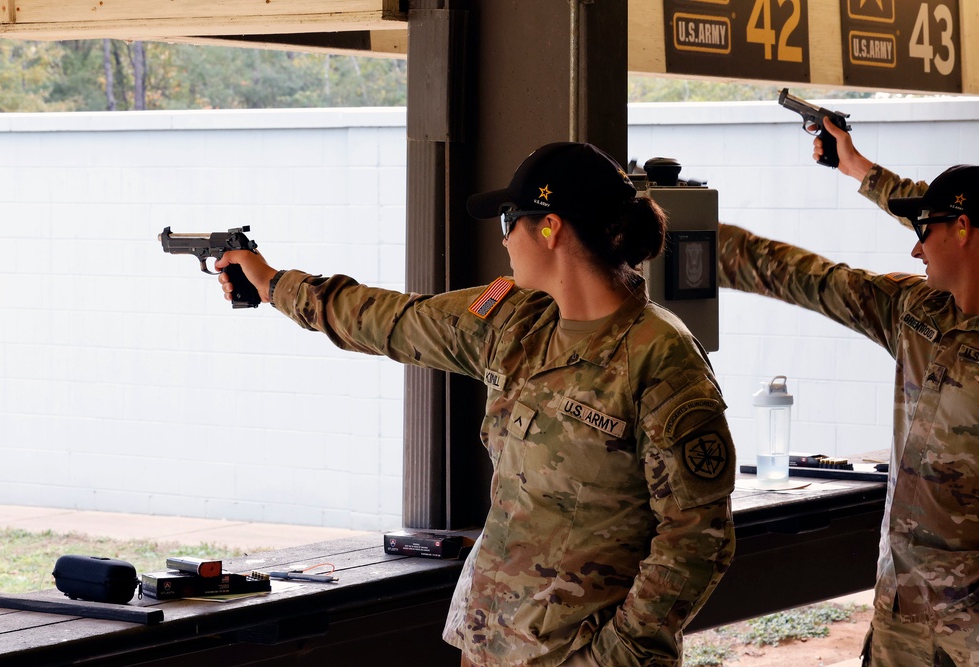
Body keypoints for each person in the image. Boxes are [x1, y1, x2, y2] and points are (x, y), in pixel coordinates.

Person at [214, 142, 737, 666]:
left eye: (510, 219)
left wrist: (616, 655)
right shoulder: (515, 320)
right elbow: (393, 319)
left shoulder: (659, 355)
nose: (504, 237)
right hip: (492, 645)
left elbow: (696, 538)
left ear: (550, 228)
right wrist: (272, 283)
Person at [719, 118, 979, 666]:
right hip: (901, 616)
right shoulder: (916, 311)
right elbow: (811, 277)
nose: (914, 252)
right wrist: (693, 240)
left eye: (923, 231)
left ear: (962, 228)